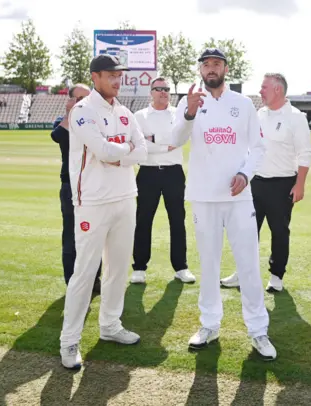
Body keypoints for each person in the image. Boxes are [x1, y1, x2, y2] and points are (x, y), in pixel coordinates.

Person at [170, 48, 276, 360]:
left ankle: (258, 331)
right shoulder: (188, 100)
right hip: (203, 195)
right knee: (209, 264)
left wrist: (245, 173)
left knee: (248, 265)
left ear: (225, 69)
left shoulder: (242, 104)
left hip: (238, 196)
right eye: (206, 65)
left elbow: (258, 147)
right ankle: (209, 325)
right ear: (200, 70)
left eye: (216, 64)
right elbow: (175, 140)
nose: (211, 69)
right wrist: (189, 113)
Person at [59, 54, 148, 369]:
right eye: (110, 75)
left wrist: (119, 153)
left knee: (118, 269)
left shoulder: (125, 112)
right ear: (95, 77)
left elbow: (143, 150)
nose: (116, 80)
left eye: (119, 75)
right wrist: (125, 151)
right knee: (85, 272)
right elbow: (104, 150)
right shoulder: (83, 111)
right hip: (93, 203)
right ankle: (69, 342)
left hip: (126, 198)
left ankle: (110, 326)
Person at [220, 73, 311, 293]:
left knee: (279, 231)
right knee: (247, 230)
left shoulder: (296, 117)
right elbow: (247, 148)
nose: (260, 91)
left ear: (277, 90)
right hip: (255, 182)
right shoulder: (258, 114)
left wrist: (299, 185)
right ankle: (243, 274)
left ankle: (276, 276)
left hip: (282, 184)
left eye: (264, 87)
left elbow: (305, 153)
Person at [131, 77, 195, 284]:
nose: (163, 92)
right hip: (147, 173)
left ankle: (181, 267)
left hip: (173, 173)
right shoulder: (139, 116)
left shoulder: (179, 114)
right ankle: (139, 268)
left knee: (177, 221)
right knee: (143, 220)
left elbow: (180, 139)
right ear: (151, 92)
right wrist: (164, 142)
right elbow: (139, 144)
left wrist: (153, 139)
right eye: (158, 89)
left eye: (166, 89)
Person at [51, 84, 102, 292]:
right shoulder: (64, 122)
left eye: (86, 98)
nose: (83, 102)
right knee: (72, 235)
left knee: (95, 235)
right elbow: (58, 137)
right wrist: (70, 113)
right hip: (70, 186)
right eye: (78, 98)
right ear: (70, 100)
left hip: (95, 184)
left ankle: (94, 280)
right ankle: (72, 281)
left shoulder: (96, 121)